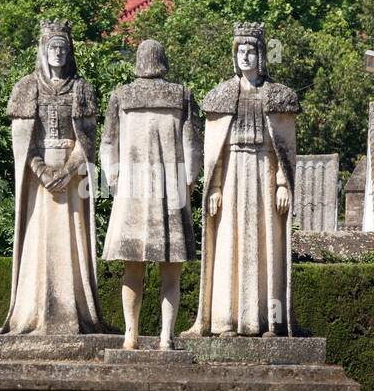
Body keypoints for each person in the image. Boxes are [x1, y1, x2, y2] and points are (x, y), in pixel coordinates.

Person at [185, 22, 298, 337]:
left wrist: (280, 183)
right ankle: (226, 320)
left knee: (267, 245)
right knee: (229, 243)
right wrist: (216, 186)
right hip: (234, 173)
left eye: (251, 51)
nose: (245, 57)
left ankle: (266, 320)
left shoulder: (277, 96)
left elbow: (283, 149)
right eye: (241, 51)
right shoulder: (221, 96)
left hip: (263, 172)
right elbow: (215, 152)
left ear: (261, 55)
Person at [0, 20, 105, 335]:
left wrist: (67, 171)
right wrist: (42, 171)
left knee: (72, 243)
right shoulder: (27, 87)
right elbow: (22, 145)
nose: (57, 52)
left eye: (63, 47)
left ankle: (73, 311)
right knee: (37, 243)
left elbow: (87, 142)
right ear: (43, 50)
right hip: (38, 182)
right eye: (52, 47)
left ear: (69, 52)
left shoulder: (81, 88)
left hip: (71, 180)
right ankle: (33, 312)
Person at [101, 39, 201, 349]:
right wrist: (189, 183)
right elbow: (193, 147)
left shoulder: (122, 95)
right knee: (171, 273)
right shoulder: (182, 96)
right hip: (171, 193)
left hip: (132, 193)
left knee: (133, 269)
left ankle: (131, 335)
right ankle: (165, 337)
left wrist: (114, 180)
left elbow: (107, 144)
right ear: (163, 61)